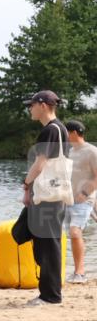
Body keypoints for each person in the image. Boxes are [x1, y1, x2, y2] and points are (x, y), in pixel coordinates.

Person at [22, 91, 70, 304]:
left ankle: (50, 295)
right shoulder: (59, 129)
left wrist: (26, 184)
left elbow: (40, 163)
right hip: (54, 195)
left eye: (31, 105)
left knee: (48, 245)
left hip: (48, 197)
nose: (29, 109)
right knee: (46, 242)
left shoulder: (50, 130)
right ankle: (49, 293)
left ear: (42, 105)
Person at [66, 119, 97, 283]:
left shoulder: (92, 151)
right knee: (72, 234)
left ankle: (80, 273)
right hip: (69, 199)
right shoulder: (70, 152)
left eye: (66, 133)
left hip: (85, 198)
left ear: (74, 133)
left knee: (75, 231)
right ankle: (75, 271)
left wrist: (85, 193)